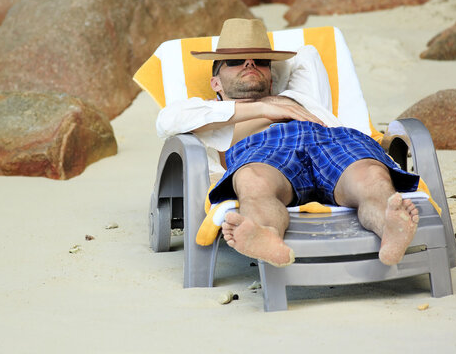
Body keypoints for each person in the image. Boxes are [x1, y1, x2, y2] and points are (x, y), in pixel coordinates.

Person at [157, 18, 420, 268]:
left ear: (272, 77)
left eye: (260, 61)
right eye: (236, 61)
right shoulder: (206, 111)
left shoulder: (296, 96)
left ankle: (390, 227)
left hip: (331, 140)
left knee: (371, 177)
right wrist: (261, 109)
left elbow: (307, 54)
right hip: (264, 152)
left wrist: (273, 91)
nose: (250, 65)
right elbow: (166, 121)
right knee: (253, 182)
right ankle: (265, 235)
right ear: (215, 82)